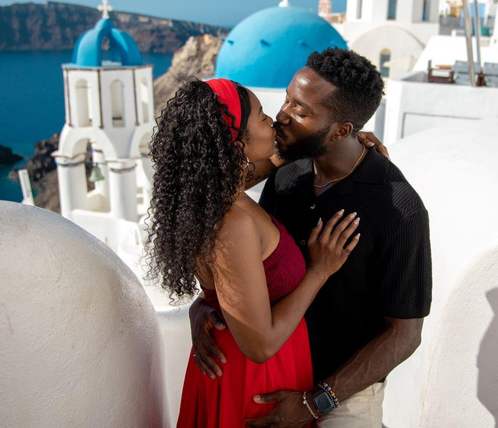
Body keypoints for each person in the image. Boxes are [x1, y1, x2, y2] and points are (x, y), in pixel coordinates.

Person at [190, 48, 433, 427]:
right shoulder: (287, 174)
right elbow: (241, 251)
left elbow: (405, 334)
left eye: (300, 111)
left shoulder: (398, 207)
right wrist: (207, 303)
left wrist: (316, 401)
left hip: (342, 394)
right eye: (287, 98)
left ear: (341, 130)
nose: (282, 116)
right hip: (276, 373)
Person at [147, 77, 363, 427]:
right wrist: (320, 271)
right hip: (256, 385)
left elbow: (275, 158)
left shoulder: (214, 194)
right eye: (262, 116)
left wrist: (351, 143)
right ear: (236, 142)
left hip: (255, 371)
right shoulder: (231, 226)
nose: (273, 121)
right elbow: (260, 345)